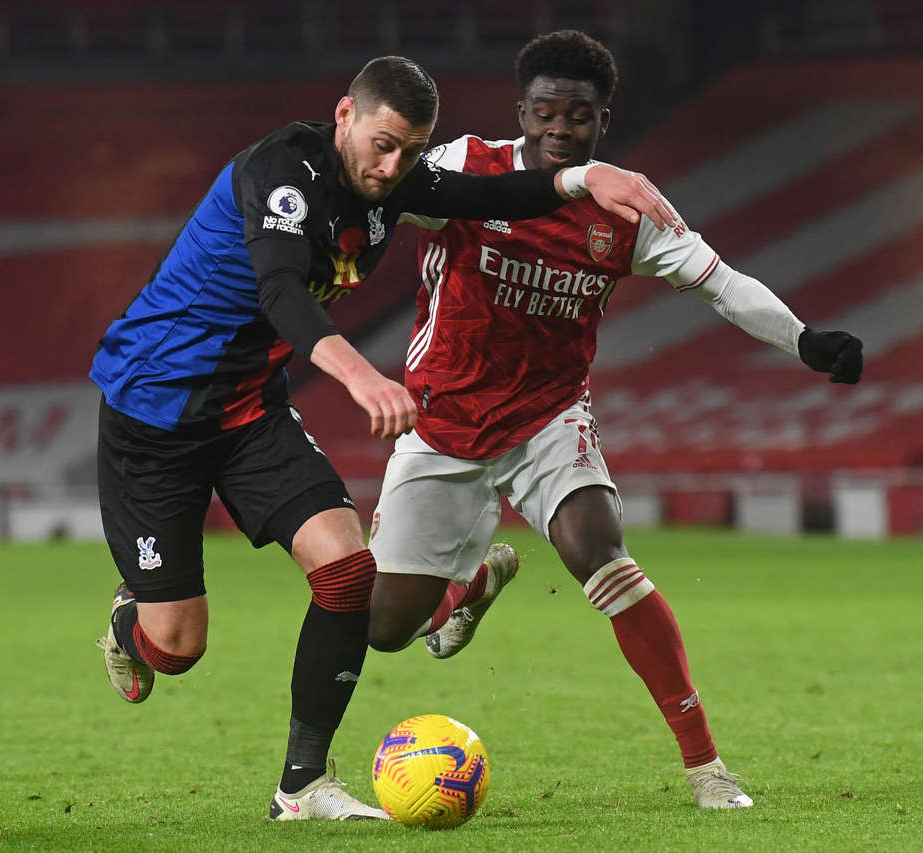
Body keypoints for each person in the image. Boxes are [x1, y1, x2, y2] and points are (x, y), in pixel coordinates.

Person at [88, 54, 675, 822]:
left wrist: (582, 180)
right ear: (345, 116)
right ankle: (131, 621)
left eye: (411, 150)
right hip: (153, 411)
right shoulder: (282, 176)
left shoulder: (396, 182)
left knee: (345, 571)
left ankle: (301, 787)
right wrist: (361, 377)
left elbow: (488, 192)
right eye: (383, 144)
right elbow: (281, 292)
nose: (393, 165)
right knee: (178, 645)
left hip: (248, 410)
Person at [364, 31, 864, 809]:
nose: (559, 129)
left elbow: (723, 284)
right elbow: (379, 192)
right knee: (383, 629)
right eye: (545, 112)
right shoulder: (466, 169)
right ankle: (460, 596)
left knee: (600, 552)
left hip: (547, 419)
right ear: (519, 111)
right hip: (441, 423)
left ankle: (707, 766)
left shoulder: (627, 210)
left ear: (605, 118)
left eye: (579, 116)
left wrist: (804, 339)